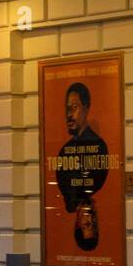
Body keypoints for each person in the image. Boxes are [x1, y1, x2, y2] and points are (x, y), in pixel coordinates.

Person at [57, 82, 110, 212]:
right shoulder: (64, 152)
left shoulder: (99, 147)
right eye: (67, 108)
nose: (69, 114)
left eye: (74, 107)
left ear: (86, 109)